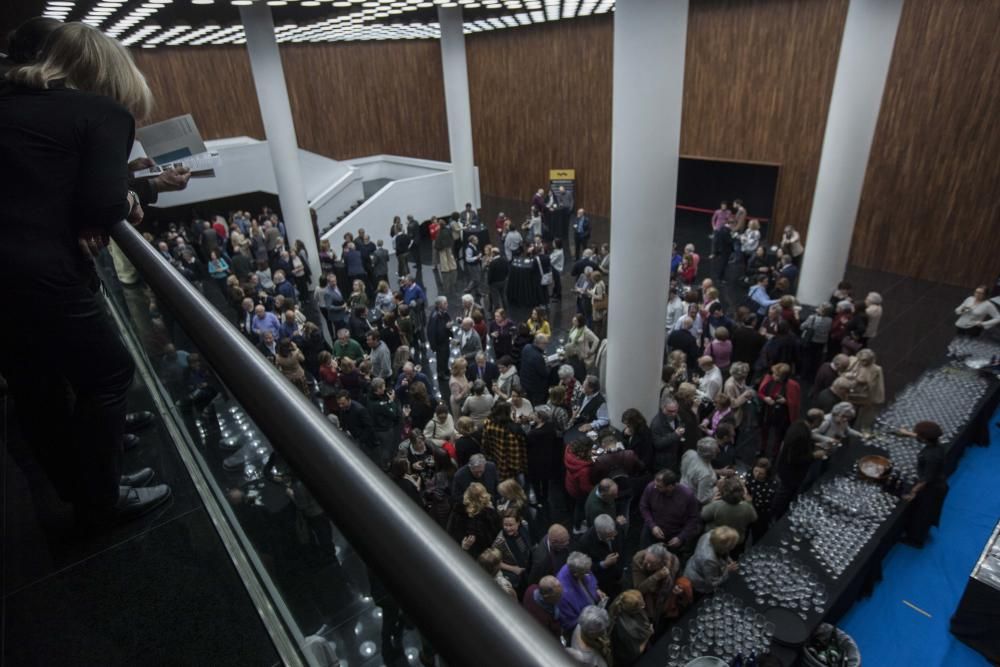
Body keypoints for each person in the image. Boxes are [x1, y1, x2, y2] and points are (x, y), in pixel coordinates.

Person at [0, 22, 174, 520]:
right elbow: (104, 203)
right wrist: (119, 200)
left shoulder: (9, 101)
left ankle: (84, 482)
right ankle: (100, 499)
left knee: (37, 386)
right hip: (41, 272)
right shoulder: (103, 113)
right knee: (109, 372)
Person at [898, 421, 948, 547]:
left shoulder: (931, 456)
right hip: (935, 484)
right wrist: (907, 434)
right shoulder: (937, 445)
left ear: (924, 438)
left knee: (922, 515)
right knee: (923, 512)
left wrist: (913, 492)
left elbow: (926, 479)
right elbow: (924, 438)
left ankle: (915, 540)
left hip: (933, 489)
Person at [771, 409, 826, 519]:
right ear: (816, 421)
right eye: (821, 421)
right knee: (784, 495)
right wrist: (814, 455)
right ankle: (776, 516)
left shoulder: (799, 425)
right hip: (790, 473)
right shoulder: (801, 434)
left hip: (786, 469)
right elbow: (794, 458)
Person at [638, 469, 701, 552]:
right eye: (655, 483)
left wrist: (681, 537)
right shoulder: (651, 487)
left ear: (670, 486)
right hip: (652, 529)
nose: (655, 487)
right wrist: (652, 525)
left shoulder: (687, 496)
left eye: (659, 486)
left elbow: (693, 518)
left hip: (673, 534)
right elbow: (644, 506)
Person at [758, 362, 801, 459]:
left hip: (781, 415)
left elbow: (795, 403)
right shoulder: (769, 379)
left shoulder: (792, 386)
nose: (773, 376)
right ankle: (762, 448)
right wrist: (765, 398)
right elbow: (760, 392)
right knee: (764, 431)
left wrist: (785, 401)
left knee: (779, 435)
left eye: (777, 375)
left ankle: (775, 453)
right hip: (768, 411)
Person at [449, 482, 502, 559]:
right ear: (484, 495)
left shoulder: (458, 513)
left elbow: (451, 534)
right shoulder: (490, 514)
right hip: (488, 558)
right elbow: (497, 535)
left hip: (464, 557)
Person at [577, 514, 625, 599]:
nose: (613, 538)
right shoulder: (585, 543)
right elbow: (585, 568)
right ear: (598, 532)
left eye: (613, 534)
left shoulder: (616, 527)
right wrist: (604, 564)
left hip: (618, 574)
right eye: (608, 537)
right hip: (603, 582)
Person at [556, 552, 604, 634]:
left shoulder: (580, 568)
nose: (588, 574)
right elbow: (569, 622)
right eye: (586, 572)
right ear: (576, 574)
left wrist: (596, 590)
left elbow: (590, 580)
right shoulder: (564, 593)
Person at [701, 476, 757, 545]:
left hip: (717, 539)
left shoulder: (716, 505)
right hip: (736, 541)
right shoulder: (747, 507)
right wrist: (749, 502)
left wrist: (710, 502)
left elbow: (703, 515)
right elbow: (754, 518)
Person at [683, 526, 740, 594]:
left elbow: (723, 552)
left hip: (696, 563)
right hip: (698, 578)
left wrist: (728, 560)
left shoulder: (713, 534)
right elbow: (712, 583)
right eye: (733, 545)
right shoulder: (709, 560)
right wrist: (727, 571)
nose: (734, 546)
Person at [482, 400, 528, 481]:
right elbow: (516, 452)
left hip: (496, 459)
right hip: (511, 467)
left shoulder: (488, 423)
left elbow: (485, 443)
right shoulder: (512, 431)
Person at [608, 590, 655, 667]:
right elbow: (636, 652)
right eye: (641, 605)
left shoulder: (621, 602)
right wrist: (648, 635)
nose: (644, 604)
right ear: (633, 611)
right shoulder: (626, 630)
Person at [492, 509, 532, 592]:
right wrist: (513, 569)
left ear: (518, 523)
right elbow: (494, 561)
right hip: (517, 573)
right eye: (505, 525)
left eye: (511, 525)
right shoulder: (500, 541)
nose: (508, 528)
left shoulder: (524, 526)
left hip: (528, 565)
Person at [845, 348, 885, 431]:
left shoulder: (876, 369)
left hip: (863, 395)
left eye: (866, 361)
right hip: (850, 392)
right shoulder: (853, 361)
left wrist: (865, 382)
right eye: (862, 360)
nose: (863, 363)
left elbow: (876, 384)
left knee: (858, 412)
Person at [741, 457, 777, 545]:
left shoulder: (771, 485)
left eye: (761, 474)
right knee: (743, 534)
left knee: (758, 536)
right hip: (746, 509)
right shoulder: (750, 474)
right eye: (756, 471)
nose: (756, 475)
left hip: (761, 513)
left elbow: (763, 503)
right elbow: (744, 484)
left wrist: (748, 498)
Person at [680, 438, 720, 505]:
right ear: (711, 455)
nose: (719, 450)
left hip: (680, 490)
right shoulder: (705, 474)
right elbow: (702, 499)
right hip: (691, 502)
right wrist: (716, 489)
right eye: (717, 450)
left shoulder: (689, 453)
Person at [650, 400, 684, 474]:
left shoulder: (677, 417)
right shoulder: (657, 424)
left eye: (675, 411)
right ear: (663, 408)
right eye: (670, 411)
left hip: (674, 458)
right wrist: (675, 435)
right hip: (663, 463)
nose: (673, 414)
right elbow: (657, 444)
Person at [519, 333, 551, 407]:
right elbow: (544, 373)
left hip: (525, 381)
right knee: (537, 405)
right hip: (536, 387)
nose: (546, 346)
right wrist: (549, 366)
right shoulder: (538, 357)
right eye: (545, 344)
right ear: (540, 343)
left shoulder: (526, 347)